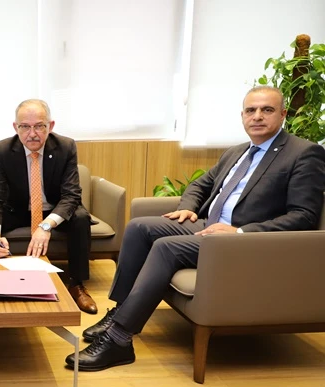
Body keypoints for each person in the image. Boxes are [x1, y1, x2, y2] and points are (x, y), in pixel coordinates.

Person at [68, 85, 325, 371]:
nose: (257, 116)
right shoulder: (238, 151)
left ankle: (118, 340)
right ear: (242, 115)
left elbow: (303, 216)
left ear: (283, 114)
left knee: (166, 248)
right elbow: (201, 184)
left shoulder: (304, 153)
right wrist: (188, 206)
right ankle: (120, 311)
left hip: (245, 242)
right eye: (250, 110)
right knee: (139, 227)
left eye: (267, 110)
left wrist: (240, 232)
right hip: (209, 227)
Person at [0, 99, 97, 314]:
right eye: (25, 127)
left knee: (80, 217)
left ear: (51, 126)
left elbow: (71, 195)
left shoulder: (65, 147)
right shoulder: (3, 149)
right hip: (20, 209)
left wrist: (46, 226)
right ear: (15, 127)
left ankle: (76, 285)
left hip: (54, 210)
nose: (32, 134)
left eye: (39, 126)